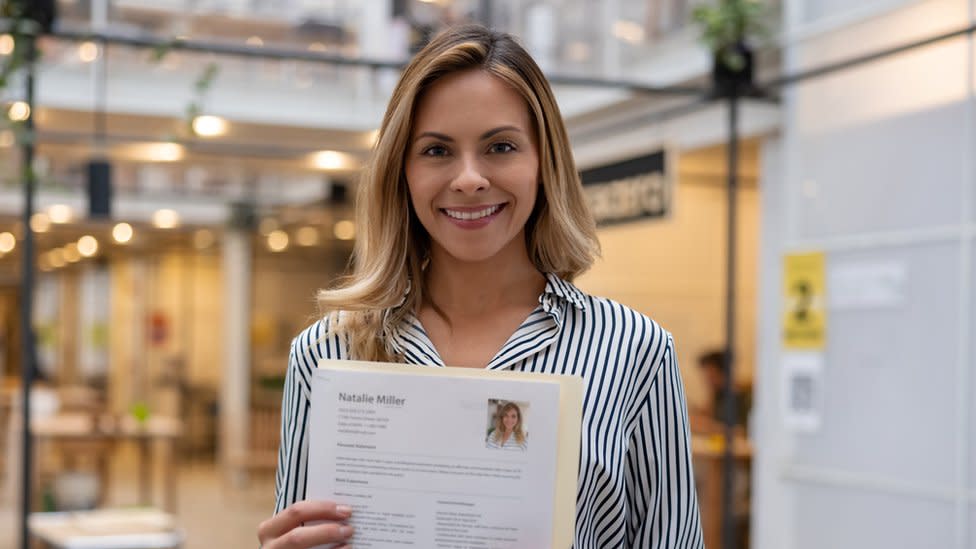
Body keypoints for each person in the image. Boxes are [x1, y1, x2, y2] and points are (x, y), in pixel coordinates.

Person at [257, 24, 703, 549]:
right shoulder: (326, 354)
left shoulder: (636, 351)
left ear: (543, 164)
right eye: (437, 151)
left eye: (500, 146)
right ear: (402, 172)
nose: (469, 178)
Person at [690, 349, 752, 435]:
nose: (707, 381)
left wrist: (710, 427)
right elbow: (707, 415)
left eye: (711, 376)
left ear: (725, 373)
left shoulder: (746, 397)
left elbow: (744, 431)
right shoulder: (719, 394)